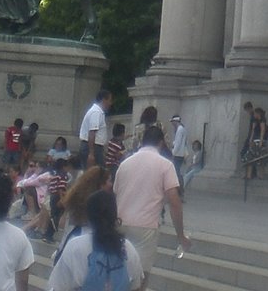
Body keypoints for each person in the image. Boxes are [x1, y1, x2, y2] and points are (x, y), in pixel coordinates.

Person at [111, 126, 189, 286]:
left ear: (142, 141)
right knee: (140, 278)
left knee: (119, 274)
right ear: (161, 143)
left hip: (120, 224)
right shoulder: (165, 165)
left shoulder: (125, 164)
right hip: (145, 227)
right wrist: (180, 235)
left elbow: (115, 194)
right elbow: (175, 202)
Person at [46, 190, 140, 291]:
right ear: (115, 215)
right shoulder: (128, 248)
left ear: (89, 216)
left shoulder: (75, 246)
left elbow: (57, 286)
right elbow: (136, 287)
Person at [79, 91, 112, 171]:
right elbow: (92, 133)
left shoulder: (97, 112)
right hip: (93, 147)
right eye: (109, 100)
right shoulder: (96, 112)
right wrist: (91, 154)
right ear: (104, 100)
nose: (110, 103)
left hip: (94, 147)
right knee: (96, 174)